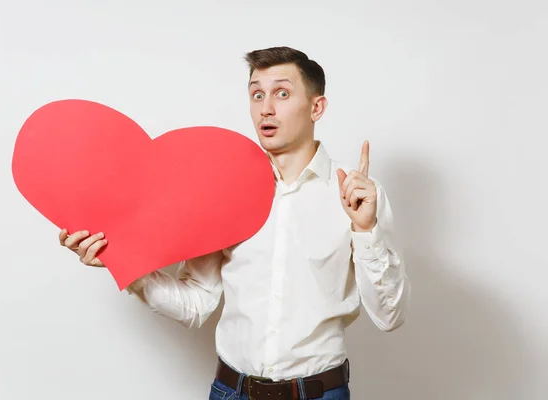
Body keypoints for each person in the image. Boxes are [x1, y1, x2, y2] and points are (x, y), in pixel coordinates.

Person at [59, 46, 411, 400]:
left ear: (316, 107)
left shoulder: (357, 196)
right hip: (232, 392)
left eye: (282, 93)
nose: (266, 108)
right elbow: (195, 303)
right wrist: (123, 263)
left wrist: (366, 231)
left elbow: (390, 316)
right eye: (257, 94)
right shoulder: (225, 193)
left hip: (320, 393)